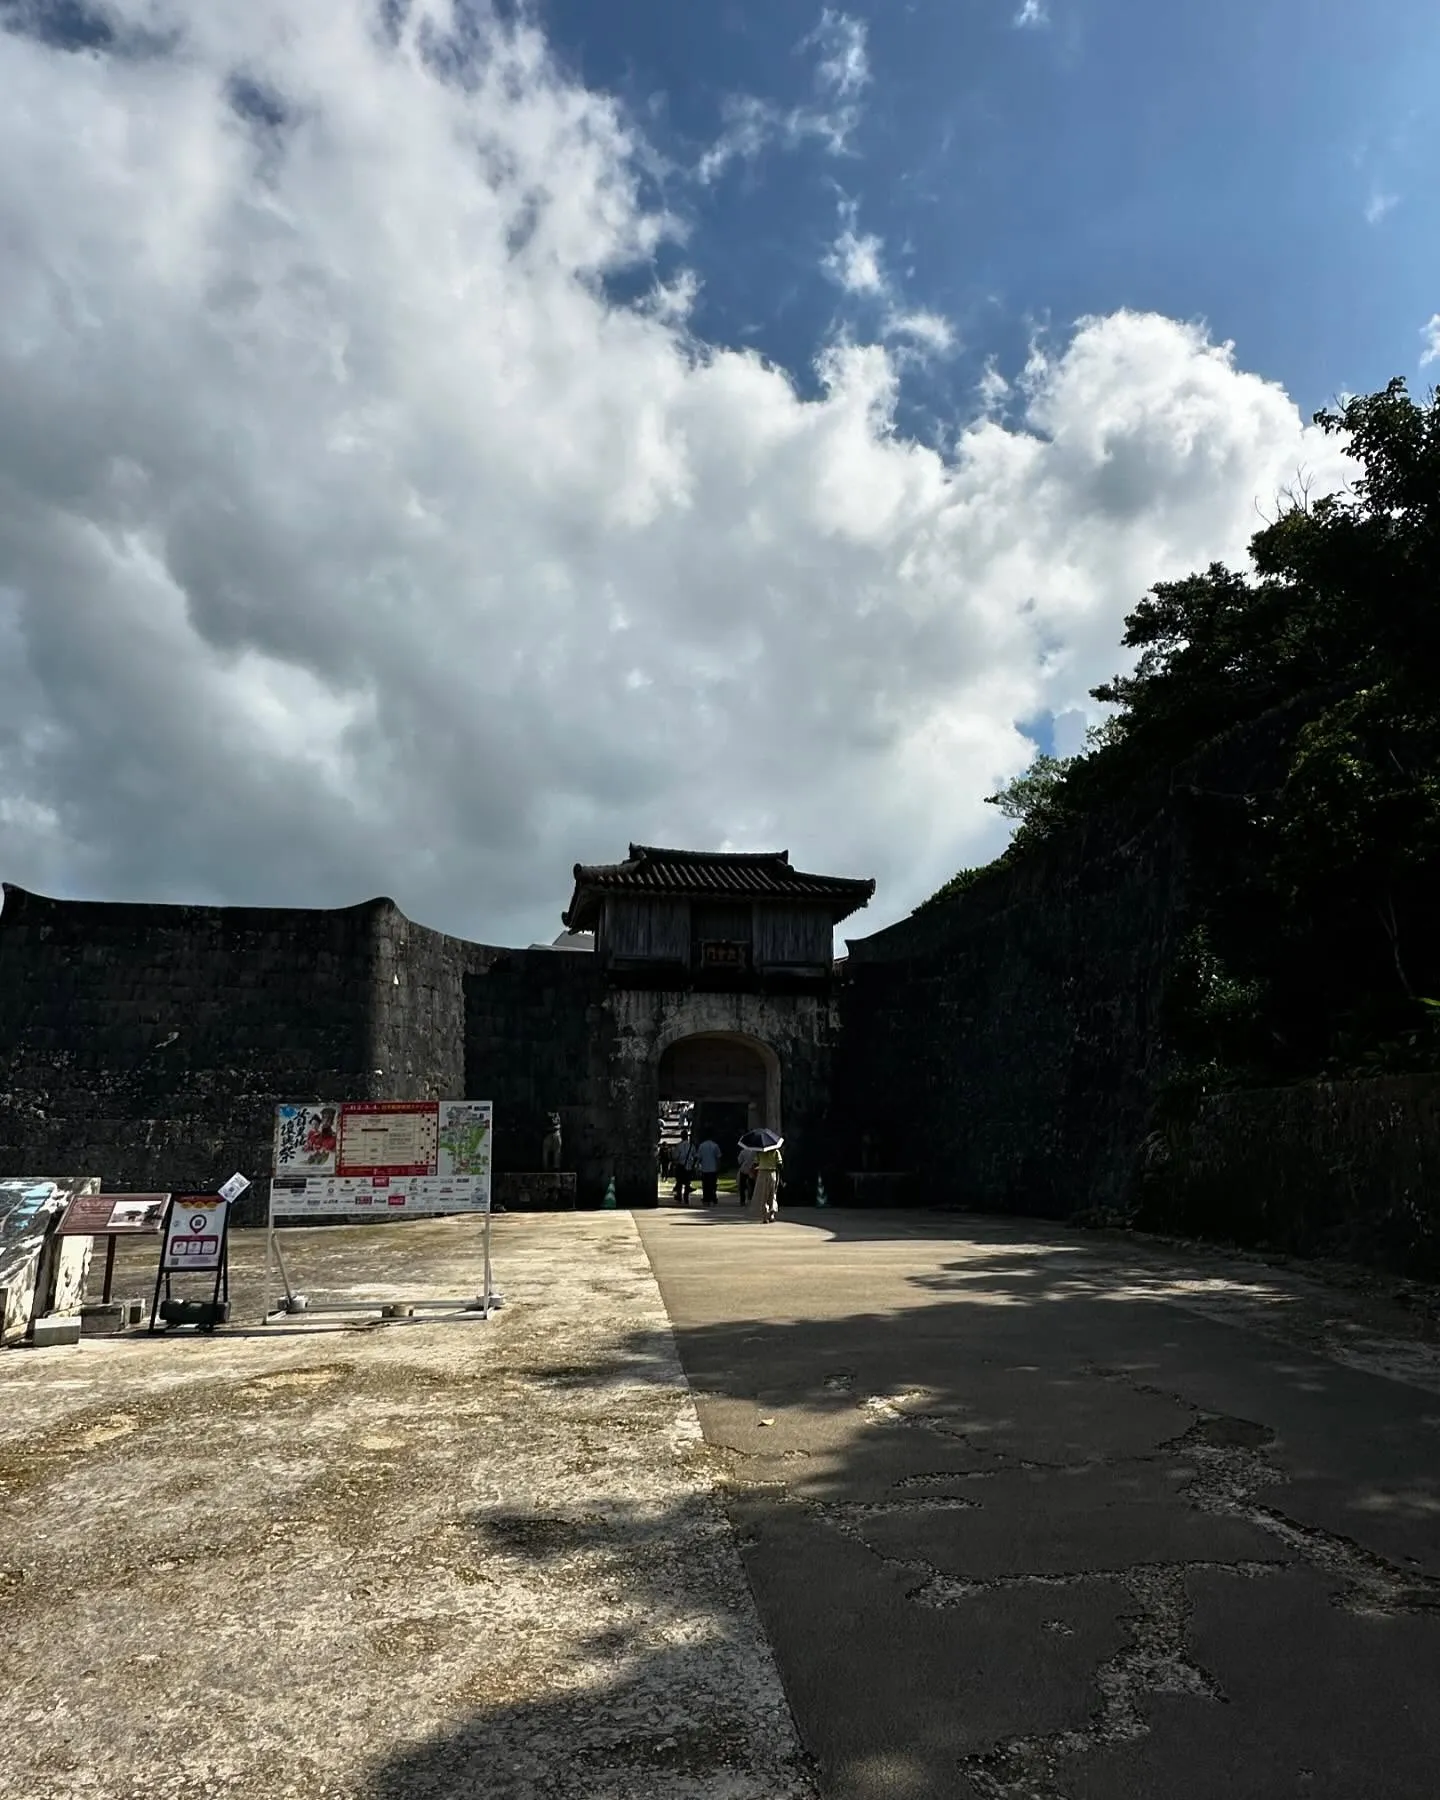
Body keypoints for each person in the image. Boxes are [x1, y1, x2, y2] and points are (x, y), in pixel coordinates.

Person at [747, 1136, 783, 1224]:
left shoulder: (760, 1153)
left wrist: (752, 1171)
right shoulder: (776, 1152)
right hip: (772, 1172)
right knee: (772, 1193)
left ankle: (764, 1216)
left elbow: (755, 1163)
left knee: (763, 1194)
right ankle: (772, 1214)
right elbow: (780, 1164)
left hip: (762, 1173)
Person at [695, 1133, 722, 1206]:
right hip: (713, 1168)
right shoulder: (715, 1145)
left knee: (705, 1185)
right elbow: (718, 1157)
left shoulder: (702, 1146)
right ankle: (713, 1197)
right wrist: (718, 1166)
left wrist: (697, 1166)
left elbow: (699, 1157)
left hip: (705, 1168)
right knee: (713, 1184)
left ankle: (706, 1199)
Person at [672, 1131, 696, 1205]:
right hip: (688, 1166)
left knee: (679, 1182)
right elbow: (694, 1155)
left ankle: (679, 1196)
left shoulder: (679, 1146)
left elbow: (675, 1156)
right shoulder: (691, 1146)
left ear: (681, 1136)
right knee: (687, 1182)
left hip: (680, 1165)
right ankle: (686, 1197)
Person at [736, 1141, 757, 1209]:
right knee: (752, 1185)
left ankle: (742, 1201)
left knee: (742, 1185)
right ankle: (751, 1199)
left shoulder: (743, 1151)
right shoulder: (755, 1152)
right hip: (752, 1170)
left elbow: (739, 1161)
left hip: (744, 1169)